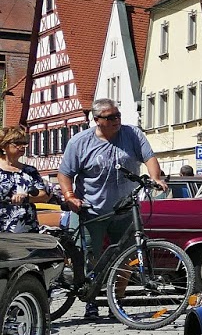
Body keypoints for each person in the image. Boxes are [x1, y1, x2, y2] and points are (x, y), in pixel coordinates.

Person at [59, 99, 167, 317]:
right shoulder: (80, 142)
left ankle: (116, 301)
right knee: (90, 256)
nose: (117, 120)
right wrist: (70, 196)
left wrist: (156, 178)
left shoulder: (132, 134)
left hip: (126, 208)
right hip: (92, 209)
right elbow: (65, 174)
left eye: (118, 115)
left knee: (127, 256)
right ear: (97, 120)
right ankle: (91, 299)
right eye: (110, 117)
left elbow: (149, 157)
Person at [0, 128, 58, 233]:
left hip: (27, 228)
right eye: (17, 143)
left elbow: (43, 195)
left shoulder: (30, 171)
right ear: (3, 146)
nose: (22, 146)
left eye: (24, 143)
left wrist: (26, 197)